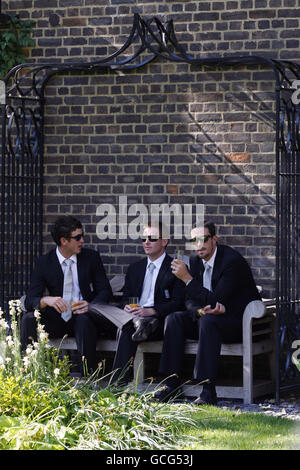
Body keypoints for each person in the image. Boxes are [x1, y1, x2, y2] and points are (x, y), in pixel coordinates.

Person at [156, 221, 261, 405]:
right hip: (209, 318)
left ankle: (207, 391)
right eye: (194, 240)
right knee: (174, 319)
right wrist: (198, 310)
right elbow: (188, 299)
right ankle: (171, 385)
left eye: (203, 239)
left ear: (214, 239)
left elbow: (216, 299)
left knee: (209, 321)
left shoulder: (231, 261)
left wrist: (187, 278)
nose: (199, 245)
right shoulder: (196, 260)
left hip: (238, 322)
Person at [21, 215, 113, 375]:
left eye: (82, 236)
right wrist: (45, 300)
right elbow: (30, 300)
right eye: (77, 237)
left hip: (83, 317)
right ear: (64, 241)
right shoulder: (44, 262)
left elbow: (105, 291)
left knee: (84, 320)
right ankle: (29, 372)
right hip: (57, 318)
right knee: (28, 318)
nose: (82, 240)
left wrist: (90, 305)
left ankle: (89, 377)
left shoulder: (91, 258)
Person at [111, 221, 186, 384]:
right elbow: (126, 297)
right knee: (126, 328)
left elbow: (179, 302)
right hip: (134, 320)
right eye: (144, 238)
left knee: (130, 328)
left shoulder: (175, 268)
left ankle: (118, 384)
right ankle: (118, 385)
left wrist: (152, 311)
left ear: (164, 241)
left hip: (159, 322)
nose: (146, 242)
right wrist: (126, 306)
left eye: (151, 238)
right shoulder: (135, 268)